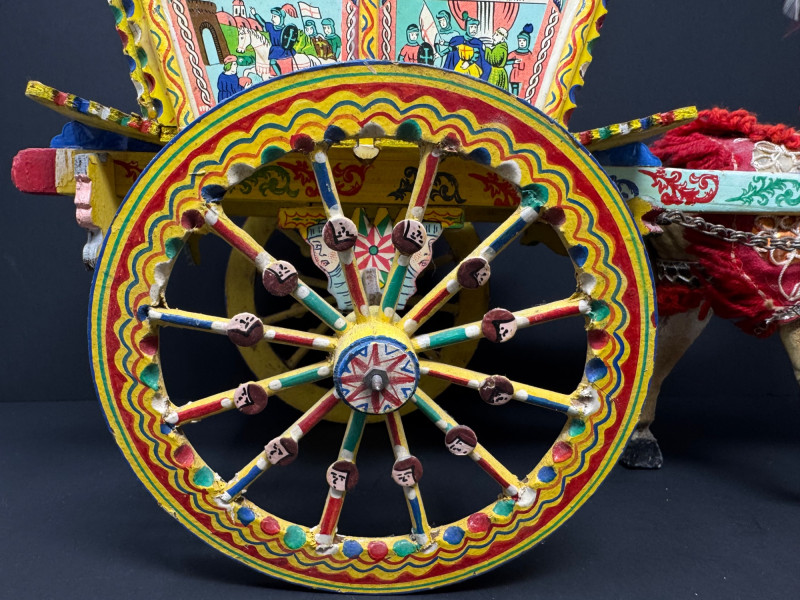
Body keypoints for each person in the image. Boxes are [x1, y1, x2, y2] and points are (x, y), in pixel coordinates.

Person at [443, 11, 490, 81]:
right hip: (460, 67)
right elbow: (451, 52)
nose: (474, 29)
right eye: (471, 27)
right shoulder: (457, 40)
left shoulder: (478, 43)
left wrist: (469, 63)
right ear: (467, 27)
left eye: (475, 27)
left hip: (472, 69)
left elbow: (481, 59)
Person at [251, 6, 295, 75]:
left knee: (272, 61)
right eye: (272, 16)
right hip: (275, 49)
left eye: (275, 17)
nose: (272, 19)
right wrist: (255, 14)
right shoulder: (271, 27)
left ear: (281, 18)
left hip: (284, 49)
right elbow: (262, 23)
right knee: (271, 61)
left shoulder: (286, 30)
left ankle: (280, 76)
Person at [508, 24, 536, 98]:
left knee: (523, 90)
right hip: (515, 74)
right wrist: (513, 61)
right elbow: (504, 61)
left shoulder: (529, 54)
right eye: (520, 41)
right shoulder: (514, 53)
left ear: (528, 42)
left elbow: (532, 64)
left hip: (524, 75)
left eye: (524, 41)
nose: (522, 43)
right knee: (514, 90)